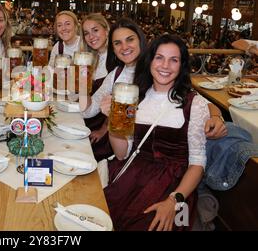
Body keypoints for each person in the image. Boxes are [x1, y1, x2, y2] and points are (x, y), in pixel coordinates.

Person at [105, 34, 209, 231]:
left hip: (174, 186)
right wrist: (114, 122)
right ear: (150, 60)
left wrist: (174, 200)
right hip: (132, 176)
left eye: (174, 60)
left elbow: (197, 163)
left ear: (182, 65)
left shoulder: (194, 104)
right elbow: (122, 154)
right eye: (159, 57)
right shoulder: (135, 95)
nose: (165, 66)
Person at [80, 18, 226, 142]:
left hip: (154, 146)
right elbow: (88, 112)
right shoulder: (116, 74)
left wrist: (215, 117)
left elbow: (203, 103)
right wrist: (82, 82)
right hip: (124, 143)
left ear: (140, 40)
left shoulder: (159, 71)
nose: (124, 47)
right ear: (113, 48)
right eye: (118, 43)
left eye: (130, 39)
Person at [80, 13, 111, 161]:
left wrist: (103, 129)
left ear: (106, 30)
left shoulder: (117, 59)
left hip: (104, 128)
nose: (91, 36)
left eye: (95, 30)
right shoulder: (90, 59)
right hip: (88, 117)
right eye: (86, 33)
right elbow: (84, 103)